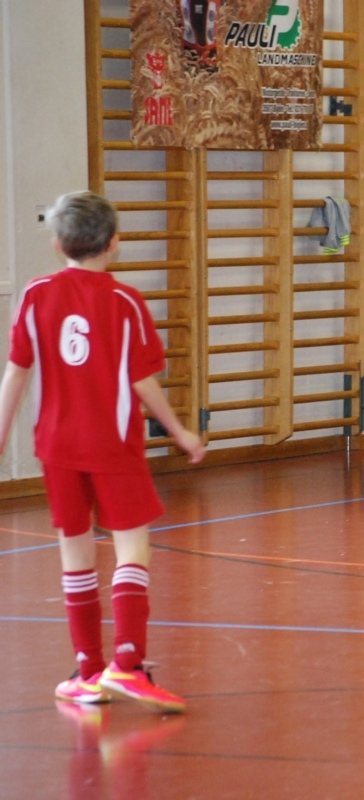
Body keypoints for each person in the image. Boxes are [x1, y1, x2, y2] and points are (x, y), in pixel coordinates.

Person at [0, 191, 206, 712]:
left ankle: (88, 672)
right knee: (132, 549)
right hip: (113, 444)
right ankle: (127, 665)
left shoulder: (35, 294)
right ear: (114, 243)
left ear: (57, 244)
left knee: (75, 555)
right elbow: (141, 381)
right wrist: (180, 432)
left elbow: (16, 374)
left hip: (56, 446)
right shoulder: (125, 302)